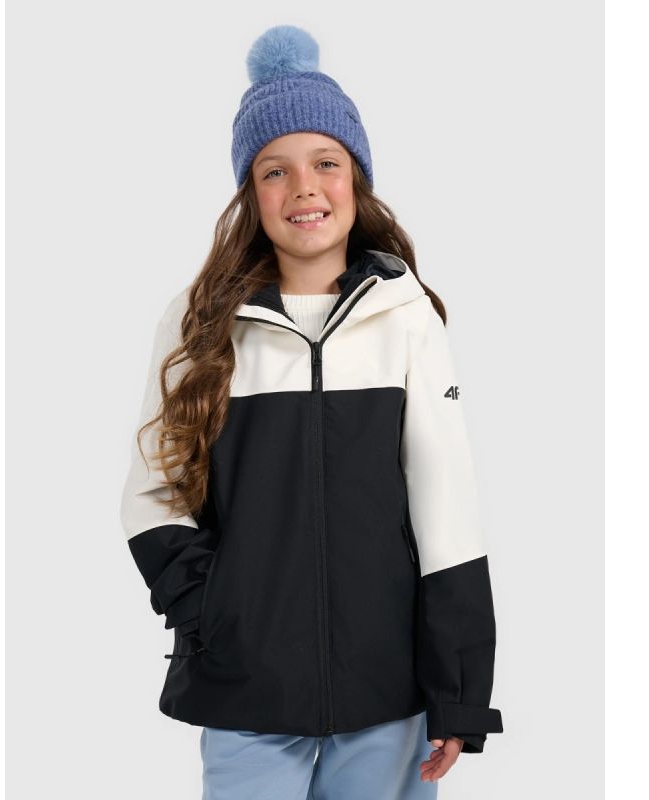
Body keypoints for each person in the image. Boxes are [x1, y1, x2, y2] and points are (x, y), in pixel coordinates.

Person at [120, 24, 503, 799]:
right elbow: (154, 495)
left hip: (388, 694)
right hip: (247, 693)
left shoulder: (406, 318)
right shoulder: (199, 325)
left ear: (356, 179)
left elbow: (447, 510)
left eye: (326, 162)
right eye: (275, 170)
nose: (304, 187)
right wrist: (220, 617)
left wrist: (457, 688)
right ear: (250, 193)